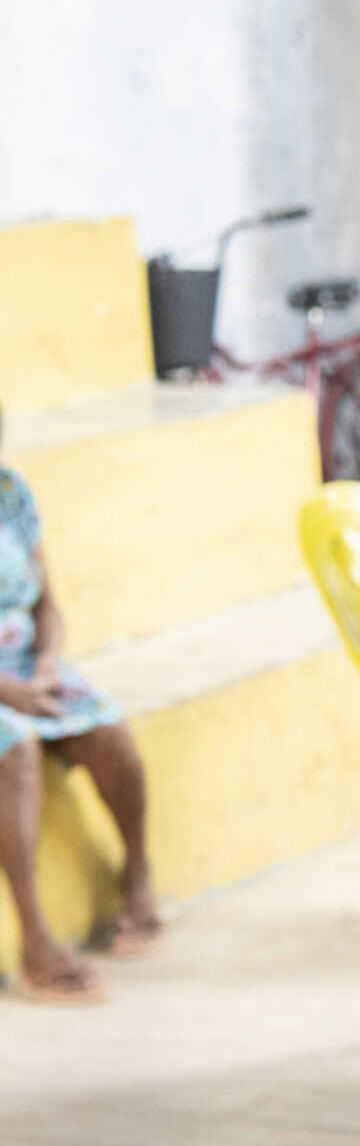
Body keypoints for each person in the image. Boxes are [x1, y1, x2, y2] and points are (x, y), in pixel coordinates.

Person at [0, 413, 160, 1003]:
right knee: (14, 748)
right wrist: (8, 692)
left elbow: (48, 604)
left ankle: (138, 872)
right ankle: (36, 940)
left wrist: (46, 665)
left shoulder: (11, 493)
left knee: (109, 730)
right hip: (2, 687)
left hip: (27, 666)